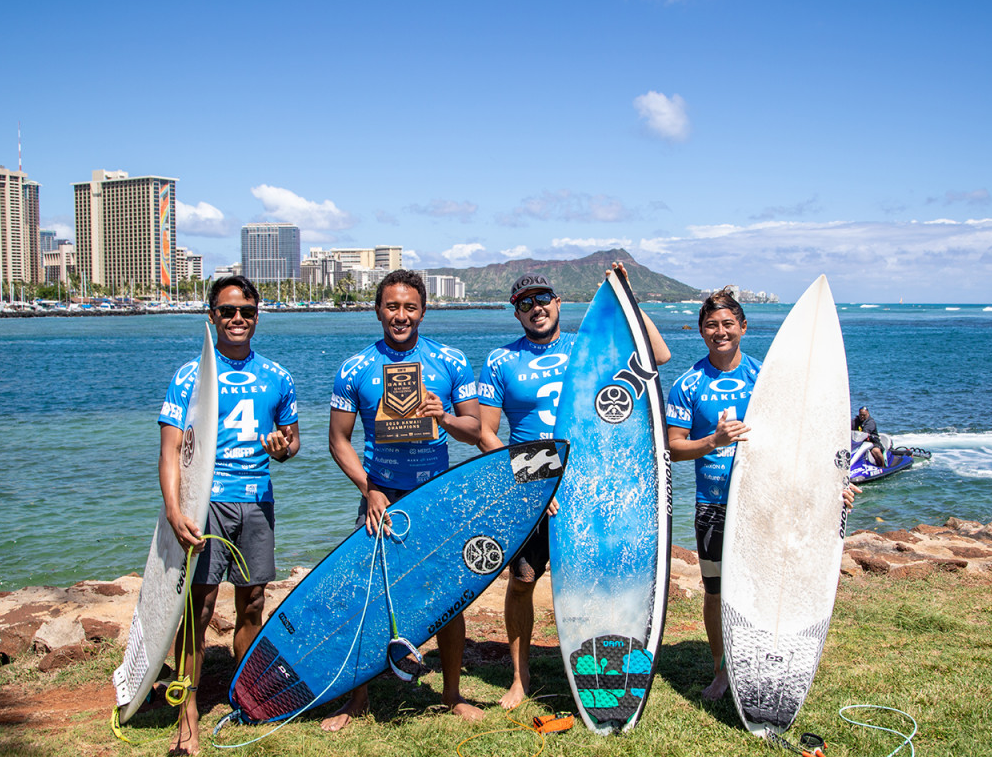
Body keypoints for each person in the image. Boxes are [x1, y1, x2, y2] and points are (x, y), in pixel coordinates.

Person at [477, 263, 670, 710]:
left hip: (590, 483)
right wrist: (539, 483)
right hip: (534, 488)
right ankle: (521, 679)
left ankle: (600, 665)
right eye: (525, 304)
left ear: (559, 303)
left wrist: (627, 297)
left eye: (543, 298)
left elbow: (656, 356)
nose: (536, 308)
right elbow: (488, 434)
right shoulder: (500, 360)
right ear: (516, 314)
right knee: (522, 581)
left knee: (598, 578)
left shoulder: (589, 350)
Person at [665, 287, 854, 702]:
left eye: (728, 324)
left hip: (763, 502)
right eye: (711, 325)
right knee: (714, 592)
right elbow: (672, 447)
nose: (720, 332)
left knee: (764, 586)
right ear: (700, 330)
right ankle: (721, 673)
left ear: (743, 327)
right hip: (713, 504)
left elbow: (802, 439)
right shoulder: (688, 383)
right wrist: (712, 442)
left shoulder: (766, 379)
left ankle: (763, 663)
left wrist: (831, 485)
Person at [321, 269, 483, 732]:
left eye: (409, 307)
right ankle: (357, 699)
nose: (400, 315)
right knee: (368, 596)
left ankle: (451, 694)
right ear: (378, 311)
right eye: (392, 306)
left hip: (434, 493)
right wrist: (368, 487)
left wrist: (444, 416)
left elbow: (475, 431)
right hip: (380, 495)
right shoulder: (355, 367)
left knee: (449, 596)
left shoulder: (449, 361)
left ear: (423, 311)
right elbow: (338, 441)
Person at [159, 275, 300, 756]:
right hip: (207, 503)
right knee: (197, 610)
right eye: (227, 312)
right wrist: (176, 512)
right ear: (212, 317)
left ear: (257, 316)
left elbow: (291, 442)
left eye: (246, 311)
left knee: (253, 603)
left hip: (257, 501)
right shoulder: (190, 375)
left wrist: (282, 449)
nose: (237, 318)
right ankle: (188, 712)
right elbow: (171, 451)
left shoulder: (277, 376)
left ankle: (246, 696)